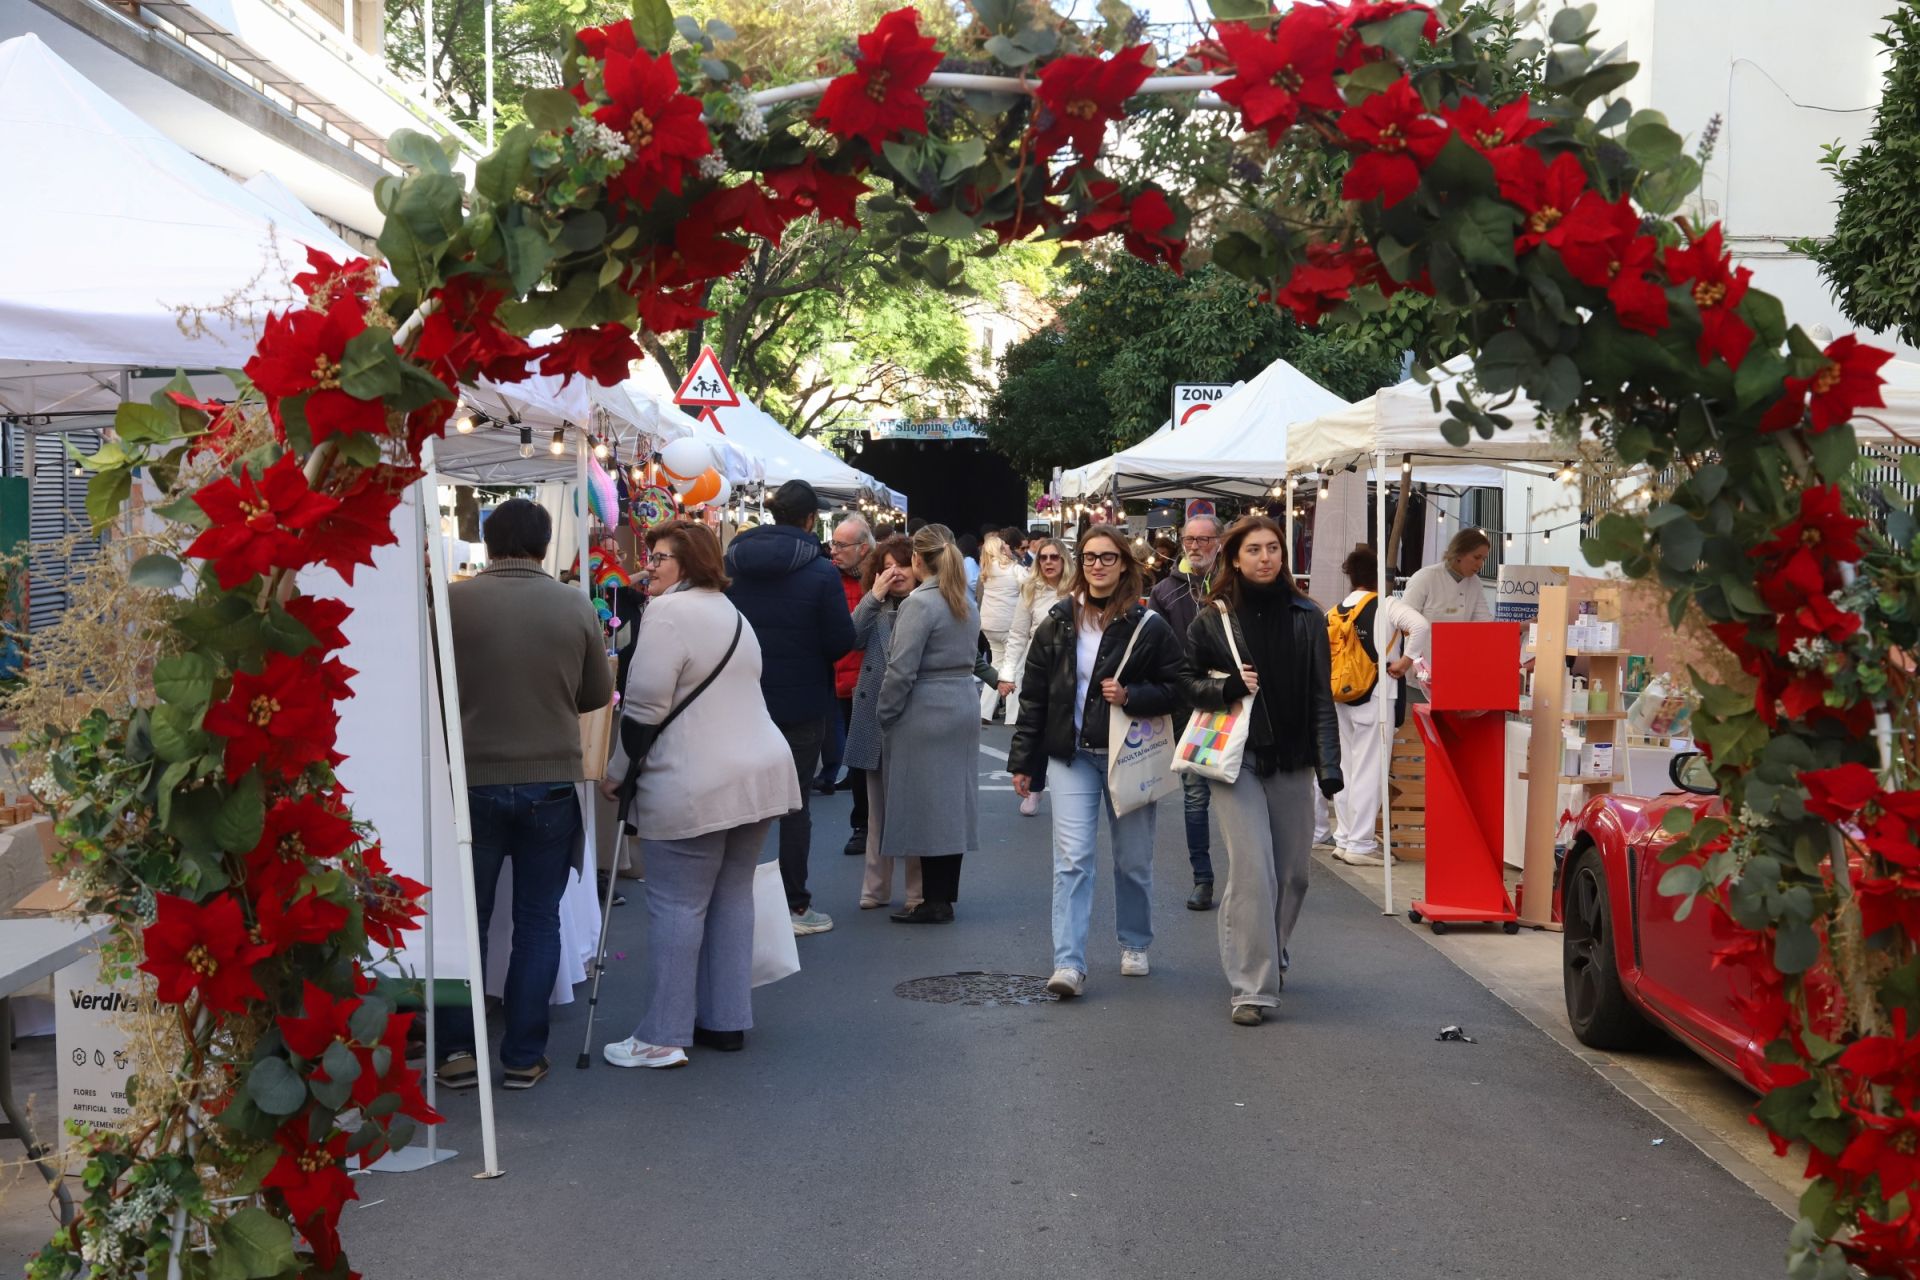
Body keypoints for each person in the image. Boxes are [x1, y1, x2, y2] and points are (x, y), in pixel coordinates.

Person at [597, 522, 801, 1069]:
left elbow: (642, 708)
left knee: (678, 904)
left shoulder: (668, 614)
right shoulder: (734, 614)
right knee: (732, 896)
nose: (652, 566)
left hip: (696, 780)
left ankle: (662, 1033)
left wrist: (617, 770)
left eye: (661, 557)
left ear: (687, 563)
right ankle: (726, 1019)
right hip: (757, 773)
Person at [441, 497, 614, 1091]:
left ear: (489, 542)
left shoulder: (453, 602)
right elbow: (597, 694)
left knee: (469, 920)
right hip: (549, 782)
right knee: (538, 921)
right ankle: (522, 1054)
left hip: (470, 778)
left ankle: (458, 1051)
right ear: (544, 546)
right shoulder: (572, 604)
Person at [1008, 525, 1182, 998]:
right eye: (1089, 557)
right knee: (1072, 859)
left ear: (1124, 564)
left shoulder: (1149, 625)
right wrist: (1025, 761)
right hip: (1073, 756)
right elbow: (1035, 696)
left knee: (1132, 861)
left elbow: (1177, 688)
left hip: (1131, 755)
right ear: (1078, 564)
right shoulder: (1059, 621)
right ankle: (1068, 963)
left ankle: (1135, 942)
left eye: (1107, 557)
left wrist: (1132, 695)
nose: (1098, 566)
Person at [1181, 515, 1342, 1026]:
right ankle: (1252, 986)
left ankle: (1272, 950)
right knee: (1253, 870)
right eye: (1254, 549)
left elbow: (1322, 696)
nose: (1266, 557)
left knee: (1294, 875)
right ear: (1235, 558)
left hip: (1292, 758)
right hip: (1237, 759)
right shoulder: (1212, 620)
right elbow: (1184, 685)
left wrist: (1329, 765)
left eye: (1273, 548)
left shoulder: (1307, 616)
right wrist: (1226, 686)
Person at [723, 479, 856, 937]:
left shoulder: (732, 562)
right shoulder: (820, 572)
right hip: (802, 704)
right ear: (809, 519)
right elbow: (842, 639)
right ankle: (794, 906)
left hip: (740, 701)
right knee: (794, 804)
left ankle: (731, 899)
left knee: (738, 801)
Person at [876, 525, 982, 923]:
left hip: (925, 707)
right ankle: (943, 896)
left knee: (924, 805)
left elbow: (901, 669)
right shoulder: (963, 598)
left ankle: (933, 900)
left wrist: (885, 712)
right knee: (951, 805)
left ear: (918, 560)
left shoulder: (920, 604)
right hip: (961, 702)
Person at [1327, 543, 1430, 868]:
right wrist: (1405, 661)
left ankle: (1345, 837)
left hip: (1341, 694)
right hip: (1376, 694)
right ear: (1379, 577)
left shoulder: (1336, 609)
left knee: (1346, 767)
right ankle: (1360, 843)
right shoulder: (1387, 605)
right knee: (1371, 768)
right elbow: (1421, 626)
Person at [844, 535, 924, 911]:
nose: (896, 572)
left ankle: (916, 890)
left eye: (903, 564)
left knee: (911, 809)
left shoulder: (928, 605)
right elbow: (849, 639)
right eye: (887, 565)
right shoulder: (874, 606)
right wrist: (872, 597)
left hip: (913, 714)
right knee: (877, 811)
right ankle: (874, 888)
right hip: (872, 713)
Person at [1149, 514, 1224, 911]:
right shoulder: (1165, 591)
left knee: (1236, 792)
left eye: (1203, 539)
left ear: (1220, 541)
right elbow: (1156, 648)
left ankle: (1251, 876)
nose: (1194, 546)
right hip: (1188, 703)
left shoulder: (1236, 583)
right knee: (1195, 794)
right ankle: (1203, 878)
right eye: (1188, 539)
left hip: (1235, 700)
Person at [999, 536, 1071, 817]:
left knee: (1068, 728)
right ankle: (1035, 787)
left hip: (1070, 667)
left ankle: (1070, 790)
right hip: (1039, 667)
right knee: (1037, 728)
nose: (1049, 562)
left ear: (1064, 560)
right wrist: (1006, 673)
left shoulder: (1077, 590)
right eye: (1043, 558)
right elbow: (1017, 634)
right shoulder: (1030, 589)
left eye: (1054, 557)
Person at [822, 517, 874, 865]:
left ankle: (878, 823)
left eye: (841, 545)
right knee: (857, 757)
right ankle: (863, 824)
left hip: (873, 679)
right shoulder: (828, 578)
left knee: (874, 757)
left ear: (863, 549)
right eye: (833, 544)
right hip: (842, 676)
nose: (834, 551)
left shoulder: (882, 576)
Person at [1399, 527, 1494, 663]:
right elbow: (1404, 620)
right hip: (1422, 665)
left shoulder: (1475, 584)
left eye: (1484, 559)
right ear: (1459, 553)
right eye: (1476, 557)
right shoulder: (1426, 577)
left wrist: (1521, 627)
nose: (1480, 564)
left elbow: (1486, 624)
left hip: (1457, 664)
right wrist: (1412, 658)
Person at [975, 533, 1026, 724]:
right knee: (1015, 666)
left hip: (988, 624)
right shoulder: (1013, 569)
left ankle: (984, 711)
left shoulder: (986, 571)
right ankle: (1013, 716)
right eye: (1004, 545)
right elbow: (1029, 585)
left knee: (996, 665)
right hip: (1009, 624)